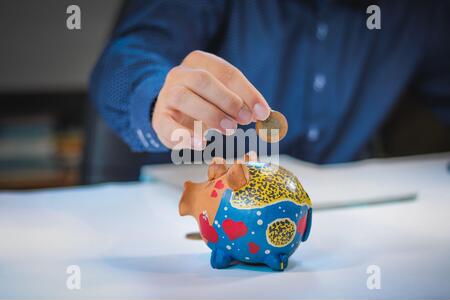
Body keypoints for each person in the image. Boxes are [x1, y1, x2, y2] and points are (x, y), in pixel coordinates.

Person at [90, 0, 450, 164]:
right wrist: (156, 98)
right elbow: (124, 57)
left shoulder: (423, 12)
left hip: (343, 217)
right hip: (209, 209)